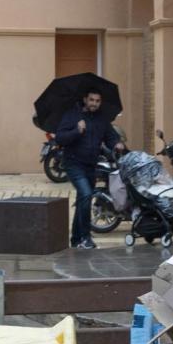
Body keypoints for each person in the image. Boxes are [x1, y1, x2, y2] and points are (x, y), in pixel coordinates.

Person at [52, 90, 123, 249]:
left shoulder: (102, 119)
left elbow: (110, 136)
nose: (94, 103)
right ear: (85, 99)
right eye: (91, 100)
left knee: (83, 200)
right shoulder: (72, 115)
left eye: (97, 101)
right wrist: (77, 131)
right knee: (86, 194)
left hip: (91, 165)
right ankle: (85, 237)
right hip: (74, 163)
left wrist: (117, 144)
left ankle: (76, 239)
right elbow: (60, 138)